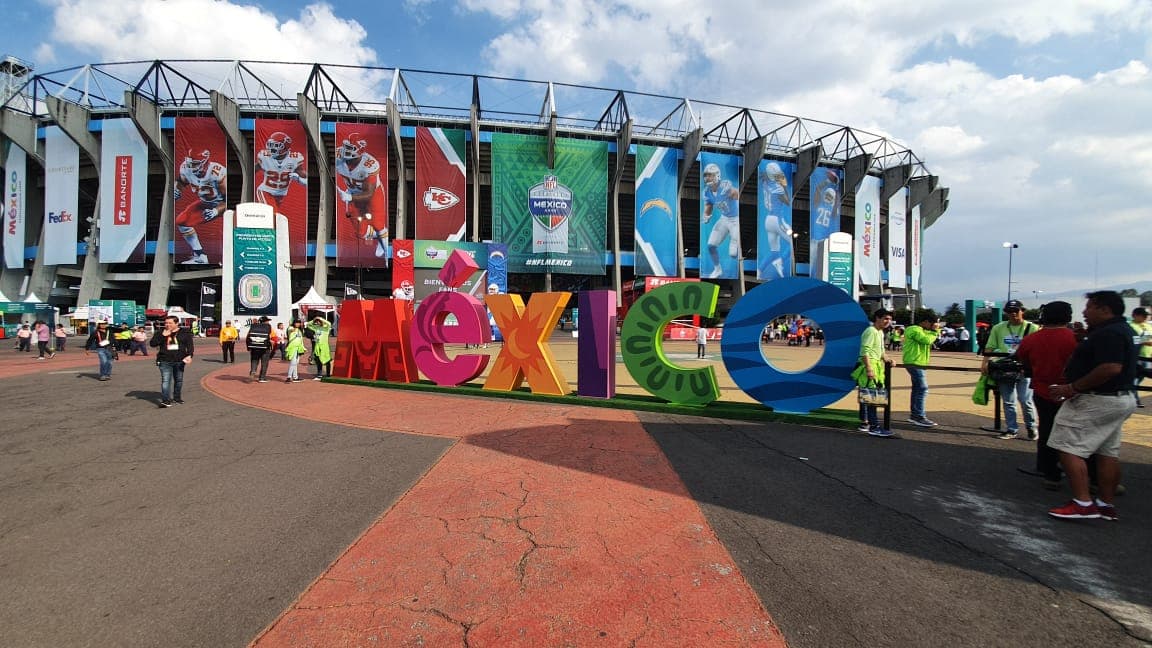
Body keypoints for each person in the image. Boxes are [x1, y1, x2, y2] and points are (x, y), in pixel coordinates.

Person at [1046, 291, 1139, 520]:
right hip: (1120, 398)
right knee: (1107, 452)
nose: (1084, 312)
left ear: (1104, 309)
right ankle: (1105, 504)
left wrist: (1072, 388)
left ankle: (1082, 502)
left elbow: (1110, 367)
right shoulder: (1123, 330)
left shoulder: (1109, 334)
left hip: (1097, 399)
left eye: (1089, 307)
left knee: (1068, 447)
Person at [1015, 301, 1078, 489]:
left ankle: (1050, 473)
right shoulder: (1076, 338)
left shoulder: (1031, 339)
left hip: (1044, 391)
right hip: (1073, 392)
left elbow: (1023, 359)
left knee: (1047, 431)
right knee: (1077, 433)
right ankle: (1086, 474)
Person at [981, 299, 1038, 440]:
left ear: (1022, 311)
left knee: (1025, 400)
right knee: (1008, 401)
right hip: (1004, 367)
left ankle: (1031, 427)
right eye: (1009, 312)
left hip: (1024, 368)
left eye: (1016, 311)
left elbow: (1038, 350)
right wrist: (985, 363)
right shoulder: (999, 328)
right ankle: (1012, 429)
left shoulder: (1033, 328)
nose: (1013, 314)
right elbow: (990, 347)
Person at [335, 131, 389, 259]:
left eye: (350, 148)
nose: (346, 150)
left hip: (373, 193)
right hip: (353, 191)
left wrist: (349, 197)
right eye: (346, 147)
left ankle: (383, 237)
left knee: (378, 223)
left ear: (360, 150)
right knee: (361, 233)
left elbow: (369, 193)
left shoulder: (369, 164)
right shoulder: (338, 156)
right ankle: (379, 234)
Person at [173, 148, 227, 265]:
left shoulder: (217, 173)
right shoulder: (186, 169)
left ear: (205, 162)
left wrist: (216, 211)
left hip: (222, 204)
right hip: (205, 203)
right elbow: (181, 182)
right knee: (182, 221)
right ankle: (200, 256)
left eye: (195, 164)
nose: (191, 167)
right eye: (190, 163)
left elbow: (228, 200)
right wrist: (177, 190)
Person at [853, 308, 895, 438]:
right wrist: (869, 368)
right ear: (877, 318)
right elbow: (864, 351)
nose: (888, 321)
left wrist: (888, 359)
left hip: (876, 365)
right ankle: (873, 426)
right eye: (885, 319)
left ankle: (868, 424)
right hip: (869, 366)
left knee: (871, 396)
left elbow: (881, 350)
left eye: (889, 319)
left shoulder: (880, 332)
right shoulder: (870, 331)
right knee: (871, 398)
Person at [700, 163, 741, 279]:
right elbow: (708, 205)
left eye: (710, 175)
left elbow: (736, 194)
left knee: (733, 254)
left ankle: (739, 250)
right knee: (711, 245)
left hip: (735, 220)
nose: (707, 178)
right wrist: (706, 216)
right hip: (724, 218)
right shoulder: (706, 191)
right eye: (706, 175)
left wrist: (733, 191)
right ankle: (717, 269)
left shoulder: (725, 186)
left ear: (717, 176)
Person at [902, 311, 942, 427]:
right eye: (932, 323)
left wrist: (932, 331)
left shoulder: (922, 330)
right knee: (922, 388)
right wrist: (934, 331)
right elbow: (926, 340)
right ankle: (919, 416)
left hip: (917, 362)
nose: (933, 326)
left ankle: (915, 414)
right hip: (914, 362)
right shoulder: (914, 329)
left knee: (917, 389)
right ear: (925, 322)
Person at [756, 162, 793, 281]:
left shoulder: (765, 183)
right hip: (777, 219)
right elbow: (788, 202)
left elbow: (764, 175)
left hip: (768, 220)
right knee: (791, 244)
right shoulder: (778, 188)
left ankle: (759, 270)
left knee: (774, 251)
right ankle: (780, 261)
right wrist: (785, 187)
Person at [150, 315, 195, 407]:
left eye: (170, 323)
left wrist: (190, 355)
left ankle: (177, 398)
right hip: (164, 360)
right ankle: (166, 400)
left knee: (179, 380)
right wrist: (163, 336)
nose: (167, 325)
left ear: (176, 323)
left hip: (180, 360)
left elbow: (190, 345)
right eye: (166, 323)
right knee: (166, 380)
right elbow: (152, 344)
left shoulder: (184, 332)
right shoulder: (160, 332)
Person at [256, 131, 307, 210]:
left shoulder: (294, 159)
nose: (272, 149)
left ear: (285, 147)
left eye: (276, 146)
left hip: (280, 195)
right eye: (271, 145)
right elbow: (252, 170)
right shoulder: (265, 157)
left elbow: (306, 178)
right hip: (265, 191)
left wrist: (299, 179)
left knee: (276, 218)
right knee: (272, 215)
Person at [1130, 307, 1151, 408]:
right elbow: (1134, 340)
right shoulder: (1131, 326)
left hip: (1147, 355)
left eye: (1146, 316)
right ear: (1135, 315)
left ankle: (1133, 396)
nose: (1145, 318)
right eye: (1143, 316)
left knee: (1140, 378)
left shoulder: (1147, 326)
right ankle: (1135, 400)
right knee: (1134, 379)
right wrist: (1146, 341)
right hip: (1136, 356)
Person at [245, 316, 273, 383]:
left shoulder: (253, 327)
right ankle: (262, 378)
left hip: (254, 347)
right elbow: (271, 337)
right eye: (267, 321)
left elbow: (248, 337)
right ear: (265, 321)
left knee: (254, 361)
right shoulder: (268, 327)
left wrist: (248, 347)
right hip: (265, 348)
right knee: (264, 363)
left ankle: (253, 372)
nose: (268, 322)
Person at [307, 314, 333, 380]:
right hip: (317, 346)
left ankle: (328, 374)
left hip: (324, 346)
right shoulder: (316, 328)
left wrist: (320, 318)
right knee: (318, 361)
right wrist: (314, 320)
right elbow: (308, 325)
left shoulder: (326, 328)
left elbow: (329, 323)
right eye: (317, 322)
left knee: (327, 360)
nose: (318, 323)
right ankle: (319, 375)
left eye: (319, 321)